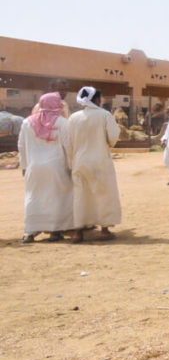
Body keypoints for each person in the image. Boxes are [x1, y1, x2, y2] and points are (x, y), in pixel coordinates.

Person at [64, 86, 121, 242]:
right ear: (96, 99)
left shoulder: (73, 118)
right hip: (100, 161)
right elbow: (113, 137)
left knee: (80, 196)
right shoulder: (104, 115)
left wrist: (70, 164)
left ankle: (78, 233)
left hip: (79, 162)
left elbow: (68, 144)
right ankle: (104, 230)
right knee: (104, 194)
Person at [18, 92, 74, 243]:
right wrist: (71, 165)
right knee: (57, 198)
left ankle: (29, 232)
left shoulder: (27, 122)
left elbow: (21, 146)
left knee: (33, 198)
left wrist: (24, 166)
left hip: (34, 167)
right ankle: (54, 231)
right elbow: (68, 146)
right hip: (57, 167)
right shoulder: (62, 122)